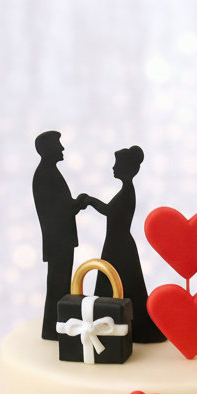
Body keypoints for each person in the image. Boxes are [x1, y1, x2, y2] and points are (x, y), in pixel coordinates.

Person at [79, 146, 165, 343]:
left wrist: (90, 201)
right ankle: (104, 323)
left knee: (122, 284)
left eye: (116, 164)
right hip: (117, 244)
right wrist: (91, 201)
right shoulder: (125, 191)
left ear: (126, 169)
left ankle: (126, 324)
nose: (112, 168)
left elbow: (111, 212)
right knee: (112, 283)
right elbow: (110, 211)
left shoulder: (127, 192)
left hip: (120, 247)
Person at [33, 131, 87, 340]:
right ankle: (54, 329)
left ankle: (55, 328)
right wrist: (77, 204)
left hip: (60, 240)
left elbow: (59, 207)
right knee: (58, 285)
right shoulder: (46, 175)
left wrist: (75, 204)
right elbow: (56, 211)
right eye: (59, 145)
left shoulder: (49, 173)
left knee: (60, 284)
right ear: (48, 149)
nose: (62, 149)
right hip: (58, 241)